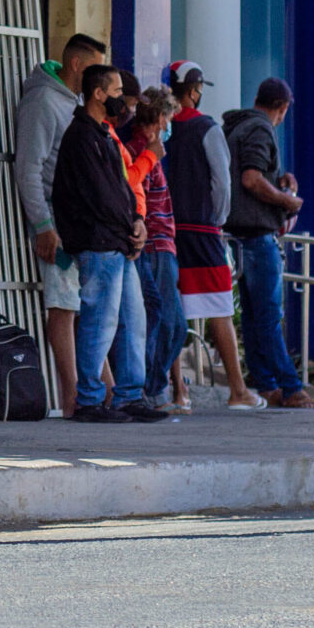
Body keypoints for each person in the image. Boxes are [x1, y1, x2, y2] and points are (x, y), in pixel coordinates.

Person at [53, 62, 162, 423]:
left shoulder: (102, 134)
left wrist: (137, 224)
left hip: (116, 241)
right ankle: (89, 399)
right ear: (98, 94)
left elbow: (122, 192)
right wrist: (128, 227)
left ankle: (129, 395)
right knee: (100, 320)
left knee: (133, 318)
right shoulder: (82, 136)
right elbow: (101, 197)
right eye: (116, 93)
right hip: (99, 242)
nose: (123, 102)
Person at [14, 32, 105, 414]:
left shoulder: (73, 105)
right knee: (64, 307)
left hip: (84, 222)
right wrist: (43, 225)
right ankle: (72, 398)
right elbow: (28, 168)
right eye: (97, 69)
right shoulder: (43, 101)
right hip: (58, 220)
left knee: (90, 310)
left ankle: (102, 393)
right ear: (77, 66)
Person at [162, 65, 260, 411]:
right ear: (194, 90)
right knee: (218, 307)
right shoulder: (206, 128)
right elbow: (222, 182)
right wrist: (217, 221)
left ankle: (178, 392)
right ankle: (237, 389)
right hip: (202, 230)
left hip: (166, 230)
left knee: (171, 309)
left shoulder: (160, 127)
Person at [224, 77, 314, 409]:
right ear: (283, 107)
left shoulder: (237, 127)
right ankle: (292, 388)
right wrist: (286, 200)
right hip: (257, 237)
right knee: (267, 317)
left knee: (252, 317)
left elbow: (249, 173)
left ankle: (265, 385)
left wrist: (278, 181)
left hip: (238, 236)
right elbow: (251, 178)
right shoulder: (262, 129)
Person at [121, 88, 184, 414]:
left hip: (161, 245)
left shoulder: (149, 150)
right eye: (169, 118)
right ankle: (151, 389)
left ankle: (152, 389)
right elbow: (132, 191)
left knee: (166, 321)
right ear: (160, 119)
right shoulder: (140, 150)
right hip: (154, 246)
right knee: (163, 321)